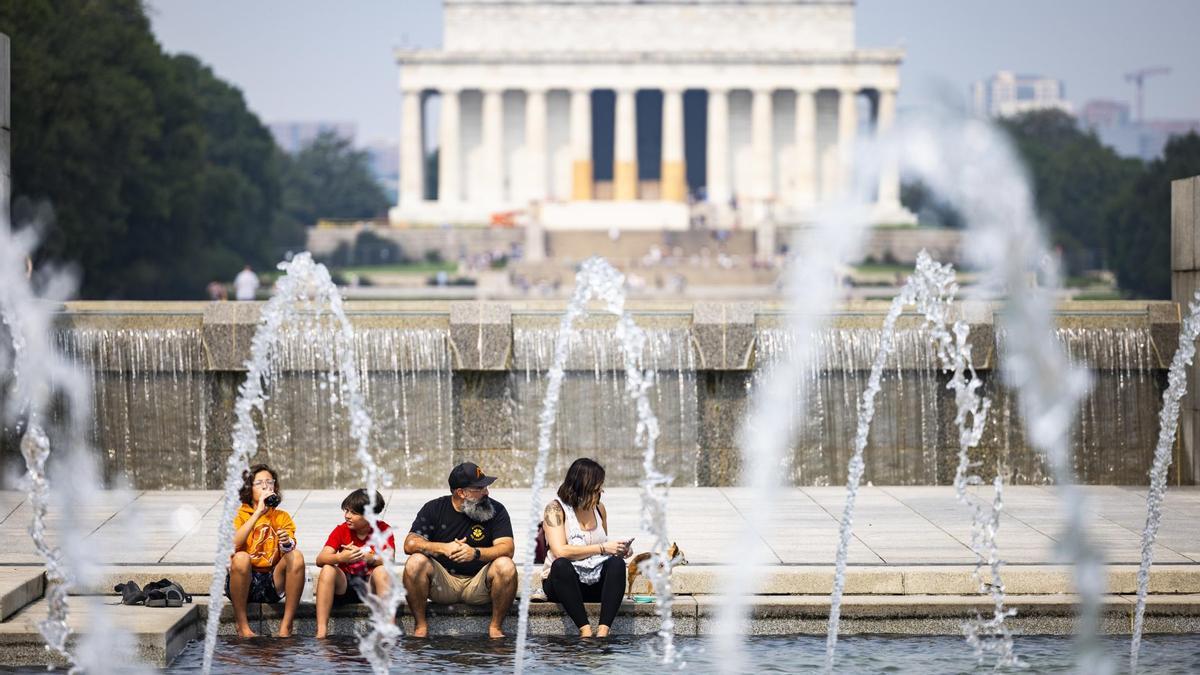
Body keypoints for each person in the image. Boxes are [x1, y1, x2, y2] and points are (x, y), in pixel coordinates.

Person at [402, 462, 517, 638]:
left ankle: (495, 628)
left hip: (479, 586)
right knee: (415, 562)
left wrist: (475, 553)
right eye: (480, 488)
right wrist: (443, 548)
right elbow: (409, 544)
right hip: (443, 584)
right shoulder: (434, 508)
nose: (487, 492)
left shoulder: (496, 509)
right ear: (461, 492)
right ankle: (421, 626)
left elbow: (507, 548)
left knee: (506, 565)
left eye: (486, 486)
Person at [541, 458, 631, 638]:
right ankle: (585, 629)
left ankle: (604, 631)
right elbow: (560, 551)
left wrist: (619, 550)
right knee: (561, 565)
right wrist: (603, 548)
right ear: (583, 486)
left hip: (594, 580)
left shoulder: (599, 508)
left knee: (616, 565)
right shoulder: (555, 509)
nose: (601, 491)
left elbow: (604, 549)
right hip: (563, 583)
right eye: (597, 487)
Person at [227, 464, 305, 637]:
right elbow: (231, 545)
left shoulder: (281, 516)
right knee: (241, 558)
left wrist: (286, 542)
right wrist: (257, 514)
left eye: (269, 482)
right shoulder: (238, 514)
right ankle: (242, 626)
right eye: (259, 483)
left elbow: (289, 548)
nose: (265, 487)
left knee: (297, 556)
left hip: (271, 581)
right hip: (242, 581)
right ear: (248, 488)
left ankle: (286, 626)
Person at [314, 489, 396, 638]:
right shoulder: (341, 530)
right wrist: (341, 558)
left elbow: (390, 559)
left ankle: (388, 629)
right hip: (345, 586)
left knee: (383, 571)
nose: (347, 516)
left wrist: (369, 558)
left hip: (370, 588)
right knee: (327, 569)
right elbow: (320, 558)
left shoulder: (383, 530)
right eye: (346, 511)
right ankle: (321, 632)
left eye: (353, 513)